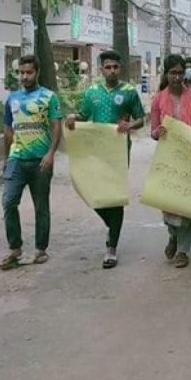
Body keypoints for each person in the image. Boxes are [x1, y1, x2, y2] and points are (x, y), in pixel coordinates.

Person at [64, 51, 145, 269]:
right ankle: (112, 225)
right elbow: (83, 116)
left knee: (115, 197)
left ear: (120, 68)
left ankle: (112, 249)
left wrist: (130, 125)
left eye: (115, 67)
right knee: (91, 191)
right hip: (96, 153)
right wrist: (72, 118)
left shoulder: (129, 92)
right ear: (101, 70)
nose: (112, 71)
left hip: (118, 152)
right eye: (108, 67)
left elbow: (140, 119)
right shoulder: (92, 92)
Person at [0, 55, 63, 270]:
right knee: (8, 201)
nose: (25, 77)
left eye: (29, 72)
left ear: (37, 72)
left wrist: (51, 153)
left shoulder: (49, 97)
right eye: (22, 73)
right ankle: (15, 249)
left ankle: (41, 249)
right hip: (16, 158)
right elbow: (8, 129)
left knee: (41, 205)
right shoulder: (12, 99)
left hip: (40, 160)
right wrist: (6, 157)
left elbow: (56, 126)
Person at [150, 54, 191, 268]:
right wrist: (157, 132)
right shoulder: (158, 99)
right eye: (173, 73)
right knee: (168, 206)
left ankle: (183, 250)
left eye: (181, 73)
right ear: (166, 74)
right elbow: (153, 131)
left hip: (190, 157)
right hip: (167, 158)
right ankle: (173, 235)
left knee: (186, 204)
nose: (177, 77)